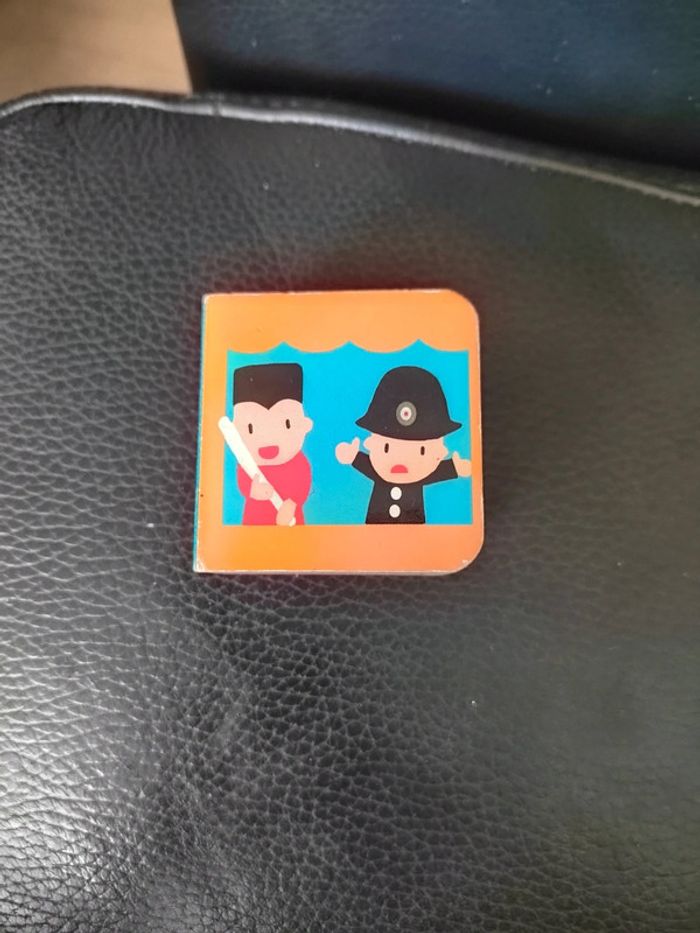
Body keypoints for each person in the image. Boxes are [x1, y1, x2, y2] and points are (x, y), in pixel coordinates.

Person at [336, 366, 471, 523]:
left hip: (415, 530)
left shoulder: (421, 472)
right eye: (386, 448)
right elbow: (365, 463)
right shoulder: (378, 469)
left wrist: (455, 467)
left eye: (421, 450)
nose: (401, 461)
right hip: (375, 527)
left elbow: (439, 471)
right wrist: (352, 456)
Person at [232, 362, 313, 525]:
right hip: (254, 520)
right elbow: (243, 480)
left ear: (305, 425)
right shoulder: (246, 463)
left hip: (290, 520)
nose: (268, 444)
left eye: (287, 424)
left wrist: (291, 504)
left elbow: (302, 484)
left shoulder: (298, 462)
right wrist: (253, 490)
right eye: (250, 428)